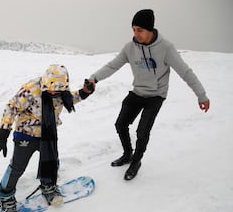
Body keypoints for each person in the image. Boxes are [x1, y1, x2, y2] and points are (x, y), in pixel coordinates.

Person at [87, 9, 210, 181]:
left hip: (156, 95)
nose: (135, 34)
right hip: (138, 91)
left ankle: (136, 162)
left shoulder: (166, 48)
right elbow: (112, 65)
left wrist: (201, 95)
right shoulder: (130, 47)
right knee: (120, 124)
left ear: (150, 29)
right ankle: (128, 154)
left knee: (142, 131)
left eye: (140, 30)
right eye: (133, 29)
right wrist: (94, 78)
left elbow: (185, 72)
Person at [0, 64, 94, 212]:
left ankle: (48, 187)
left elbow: (69, 99)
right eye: (51, 89)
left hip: (48, 134)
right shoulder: (31, 89)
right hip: (26, 134)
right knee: (17, 167)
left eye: (58, 90)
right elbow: (11, 108)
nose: (53, 92)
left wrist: (84, 92)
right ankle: (6, 198)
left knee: (51, 162)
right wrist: (2, 136)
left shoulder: (60, 91)